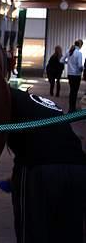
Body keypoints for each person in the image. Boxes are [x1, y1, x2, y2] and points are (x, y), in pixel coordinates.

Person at [8, 88, 86, 243]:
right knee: (69, 232)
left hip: (39, 168)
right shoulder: (40, 102)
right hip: (78, 167)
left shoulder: (0, 96)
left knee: (33, 233)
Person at [61, 39, 83, 112]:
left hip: (70, 75)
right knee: (75, 92)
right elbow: (80, 66)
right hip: (76, 75)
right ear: (80, 45)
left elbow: (61, 60)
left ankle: (71, 107)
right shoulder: (79, 53)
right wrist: (82, 69)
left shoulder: (68, 51)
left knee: (72, 91)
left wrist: (69, 63)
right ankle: (72, 108)